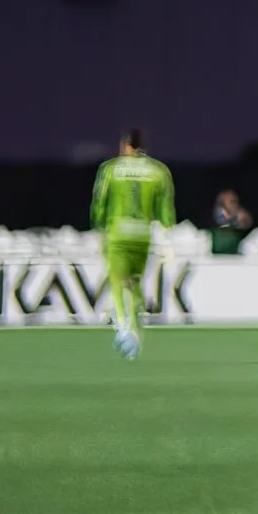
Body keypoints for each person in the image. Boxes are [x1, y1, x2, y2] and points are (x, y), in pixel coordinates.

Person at [89, 130, 173, 360]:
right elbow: (166, 214)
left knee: (117, 281)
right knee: (135, 282)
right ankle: (135, 331)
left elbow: (99, 204)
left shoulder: (110, 169)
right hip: (142, 235)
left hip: (118, 233)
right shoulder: (159, 170)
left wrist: (98, 228)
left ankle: (124, 329)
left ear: (125, 146)